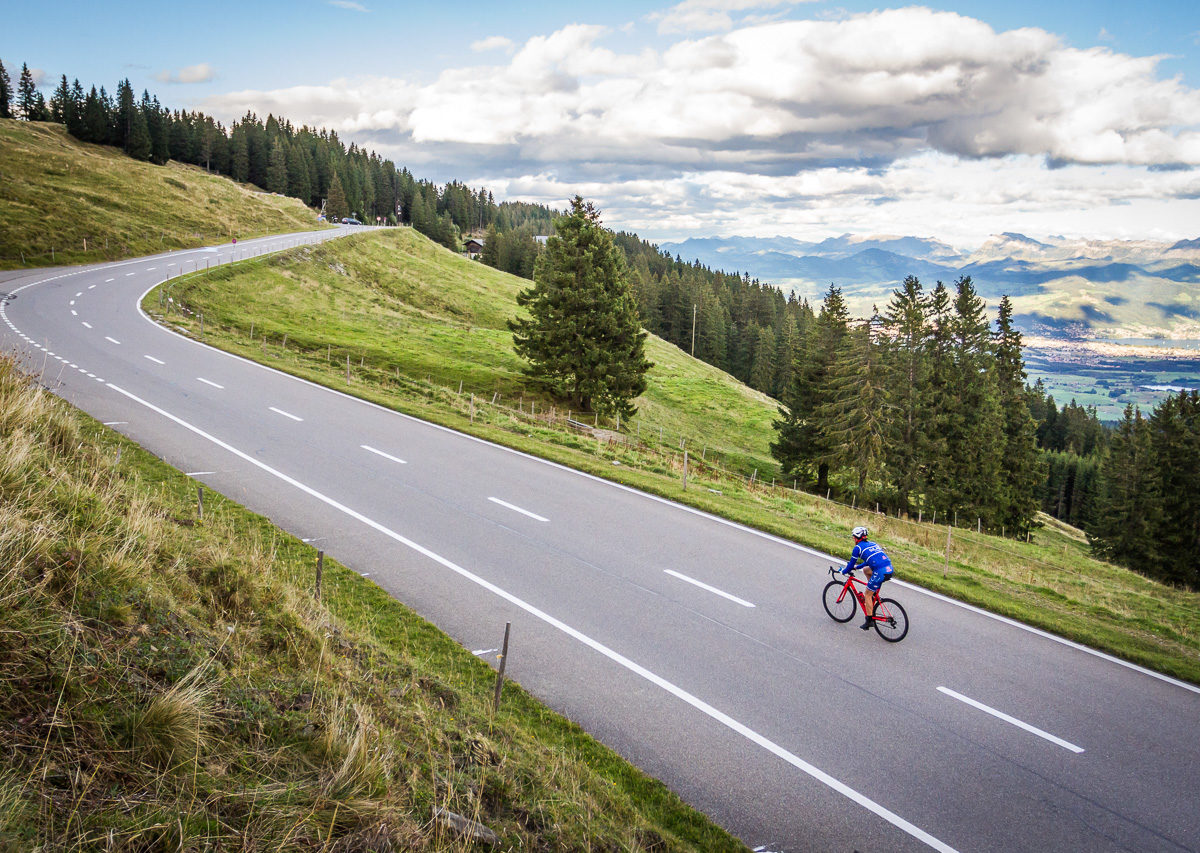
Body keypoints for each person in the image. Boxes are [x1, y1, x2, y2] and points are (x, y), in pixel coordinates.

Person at [841, 526, 894, 630]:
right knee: (866, 570)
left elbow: (851, 564)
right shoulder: (873, 544)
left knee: (867, 594)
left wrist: (843, 571)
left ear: (857, 538)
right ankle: (873, 593)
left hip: (880, 572)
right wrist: (858, 567)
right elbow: (868, 561)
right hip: (889, 569)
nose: (853, 539)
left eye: (853, 537)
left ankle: (869, 621)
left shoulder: (858, 548)